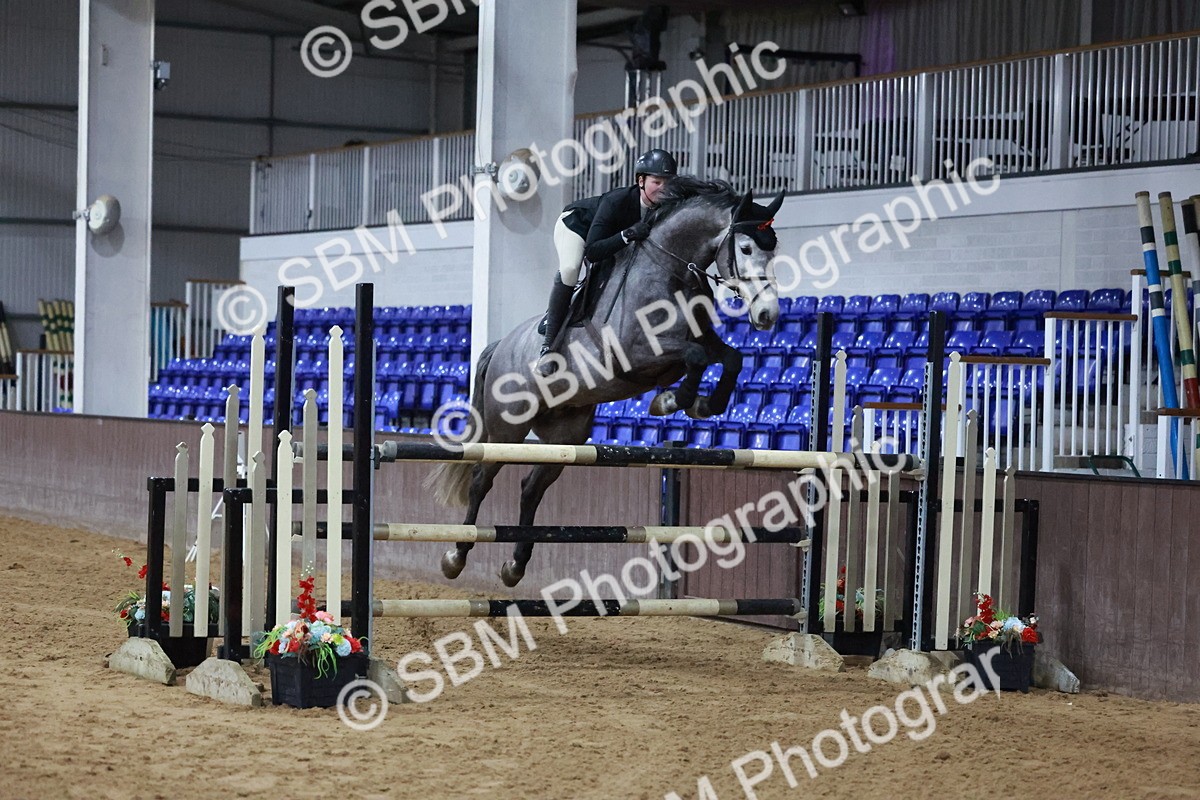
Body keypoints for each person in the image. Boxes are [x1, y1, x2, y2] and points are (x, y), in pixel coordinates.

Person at [537, 149, 678, 371]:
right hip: (577, 226)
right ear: (641, 181)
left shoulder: (666, 207)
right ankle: (548, 346)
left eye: (668, 183)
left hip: (609, 239)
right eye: (657, 182)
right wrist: (626, 235)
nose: (663, 188)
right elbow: (592, 251)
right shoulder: (617, 201)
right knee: (571, 268)